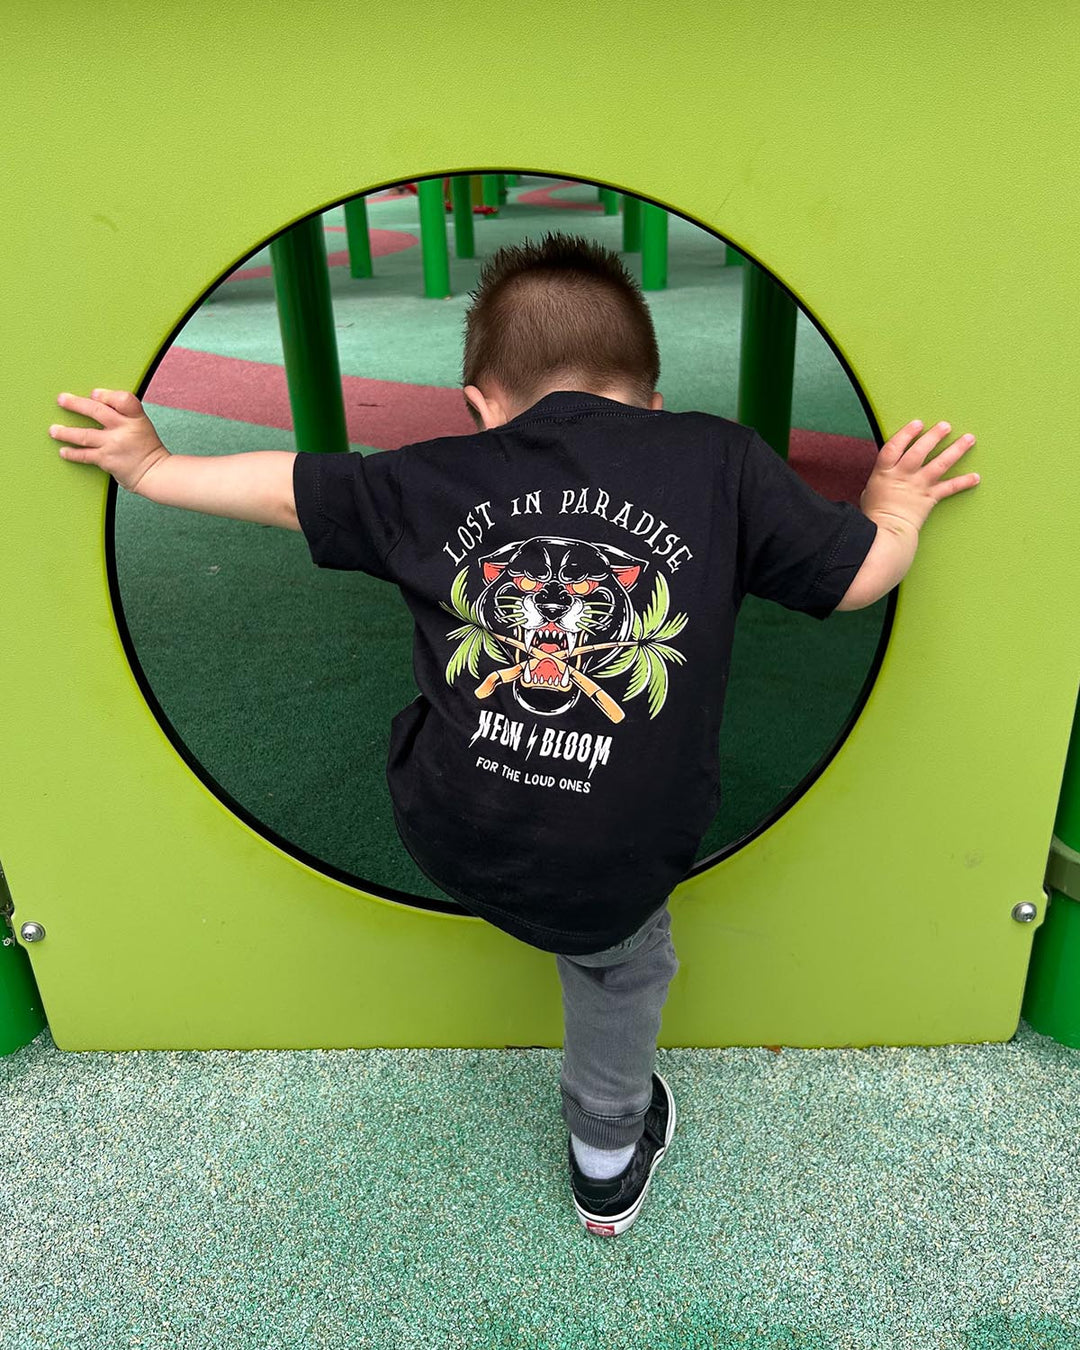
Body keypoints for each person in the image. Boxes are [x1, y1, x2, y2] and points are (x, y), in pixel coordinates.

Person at [48, 231, 979, 1238]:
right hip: (620, 857)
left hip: (450, 822)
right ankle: (607, 1150)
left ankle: (485, 823)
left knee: (432, 708)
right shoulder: (721, 456)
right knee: (624, 970)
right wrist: (891, 510)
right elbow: (855, 583)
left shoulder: (432, 472)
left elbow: (285, 486)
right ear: (652, 400)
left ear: (480, 405)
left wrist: (151, 468)